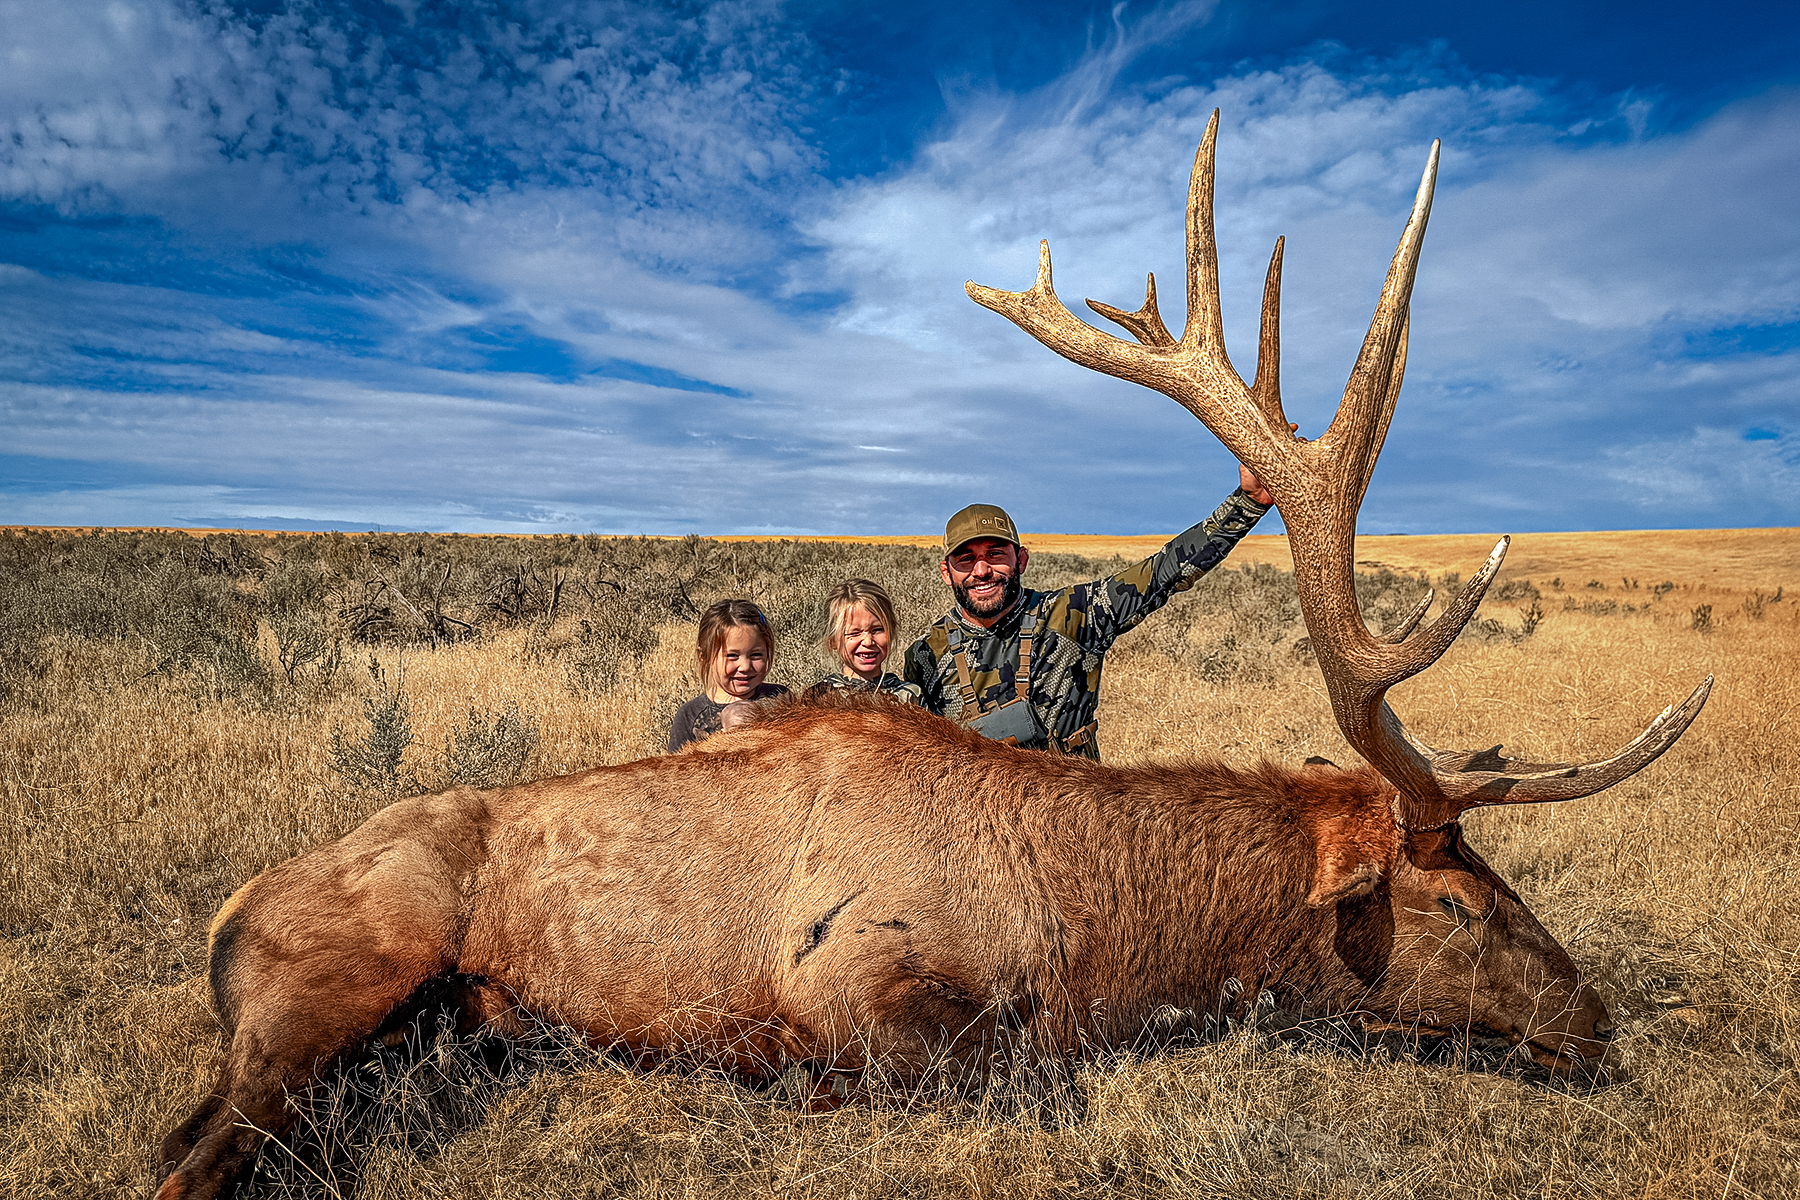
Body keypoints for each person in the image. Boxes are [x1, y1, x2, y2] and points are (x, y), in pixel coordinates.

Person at [902, 467, 1275, 760]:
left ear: (1022, 560)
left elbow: (1163, 573)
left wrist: (1248, 503)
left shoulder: (1074, 614)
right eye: (966, 559)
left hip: (1075, 812)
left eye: (996, 554)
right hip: (975, 821)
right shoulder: (926, 655)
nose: (982, 570)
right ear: (947, 572)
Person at [667, 599, 789, 752]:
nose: (745, 667)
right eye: (732, 656)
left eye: (756, 655)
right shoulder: (689, 715)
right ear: (704, 656)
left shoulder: (781, 698)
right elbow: (677, 765)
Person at [809, 579, 922, 704]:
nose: (868, 642)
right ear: (832, 641)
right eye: (854, 633)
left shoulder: (910, 696)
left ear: (891, 632)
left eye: (877, 630)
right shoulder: (818, 697)